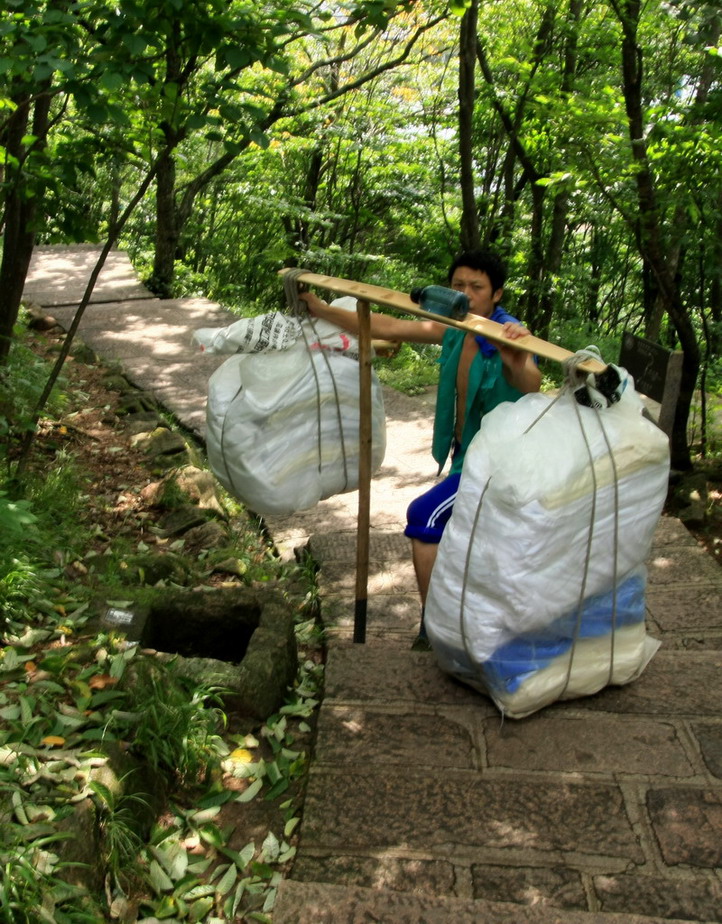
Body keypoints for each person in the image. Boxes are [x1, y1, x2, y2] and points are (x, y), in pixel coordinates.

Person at [299, 250, 542, 647]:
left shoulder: (507, 332)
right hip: (468, 457)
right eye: (458, 285)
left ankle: (434, 629)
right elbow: (390, 325)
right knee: (459, 534)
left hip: (501, 464)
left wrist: (517, 355)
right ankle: (455, 619)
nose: (465, 293)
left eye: (476, 287)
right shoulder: (455, 326)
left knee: (425, 517)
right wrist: (321, 309)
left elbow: (530, 381)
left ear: (497, 294)